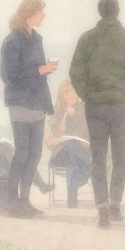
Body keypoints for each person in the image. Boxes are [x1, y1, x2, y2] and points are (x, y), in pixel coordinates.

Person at [69, 0, 125, 228]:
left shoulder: (86, 39)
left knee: (98, 157)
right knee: (120, 156)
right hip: (123, 105)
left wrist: (87, 94)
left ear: (99, 12)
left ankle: (102, 207)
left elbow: (75, 73)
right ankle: (115, 204)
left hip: (96, 105)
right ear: (118, 11)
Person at [0, 0, 56, 218]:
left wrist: (44, 70)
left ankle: (25, 200)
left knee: (35, 154)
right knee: (22, 154)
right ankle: (13, 202)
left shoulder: (36, 38)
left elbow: (37, 73)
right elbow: (8, 76)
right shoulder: (13, 40)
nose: (43, 16)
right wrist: (40, 70)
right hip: (20, 103)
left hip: (37, 103)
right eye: (40, 12)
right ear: (29, 14)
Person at [45, 79, 91, 208]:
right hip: (60, 155)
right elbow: (57, 135)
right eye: (67, 93)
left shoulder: (84, 111)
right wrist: (66, 115)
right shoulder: (55, 112)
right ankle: (89, 167)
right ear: (62, 96)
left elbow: (87, 135)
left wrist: (75, 116)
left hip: (78, 154)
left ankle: (71, 196)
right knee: (70, 145)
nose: (71, 95)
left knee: (73, 161)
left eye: (74, 92)